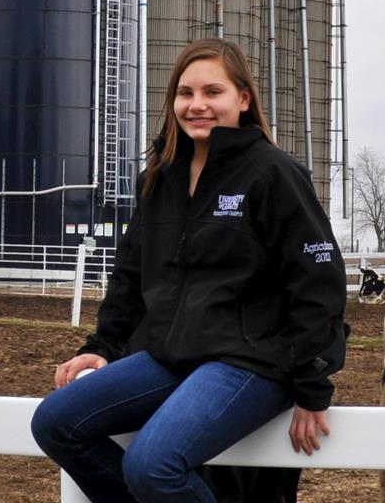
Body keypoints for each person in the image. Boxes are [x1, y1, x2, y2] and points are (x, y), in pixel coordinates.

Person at [30, 38, 348, 502]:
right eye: (186, 93)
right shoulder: (158, 178)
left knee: (152, 466)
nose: (197, 105)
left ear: (243, 99)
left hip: (252, 362)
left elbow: (318, 282)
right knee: (56, 422)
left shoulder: (273, 174)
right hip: (172, 356)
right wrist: (101, 347)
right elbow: (130, 277)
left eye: (212, 92)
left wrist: (311, 386)